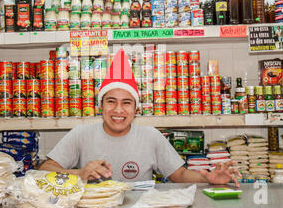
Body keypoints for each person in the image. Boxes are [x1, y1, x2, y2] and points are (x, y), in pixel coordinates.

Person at [40, 48, 242, 187]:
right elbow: (45, 169)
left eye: (127, 103)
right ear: (100, 106)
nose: (118, 110)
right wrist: (79, 173)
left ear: (136, 109)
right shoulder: (81, 134)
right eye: (111, 101)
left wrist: (208, 179)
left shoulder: (150, 136)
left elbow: (179, 174)